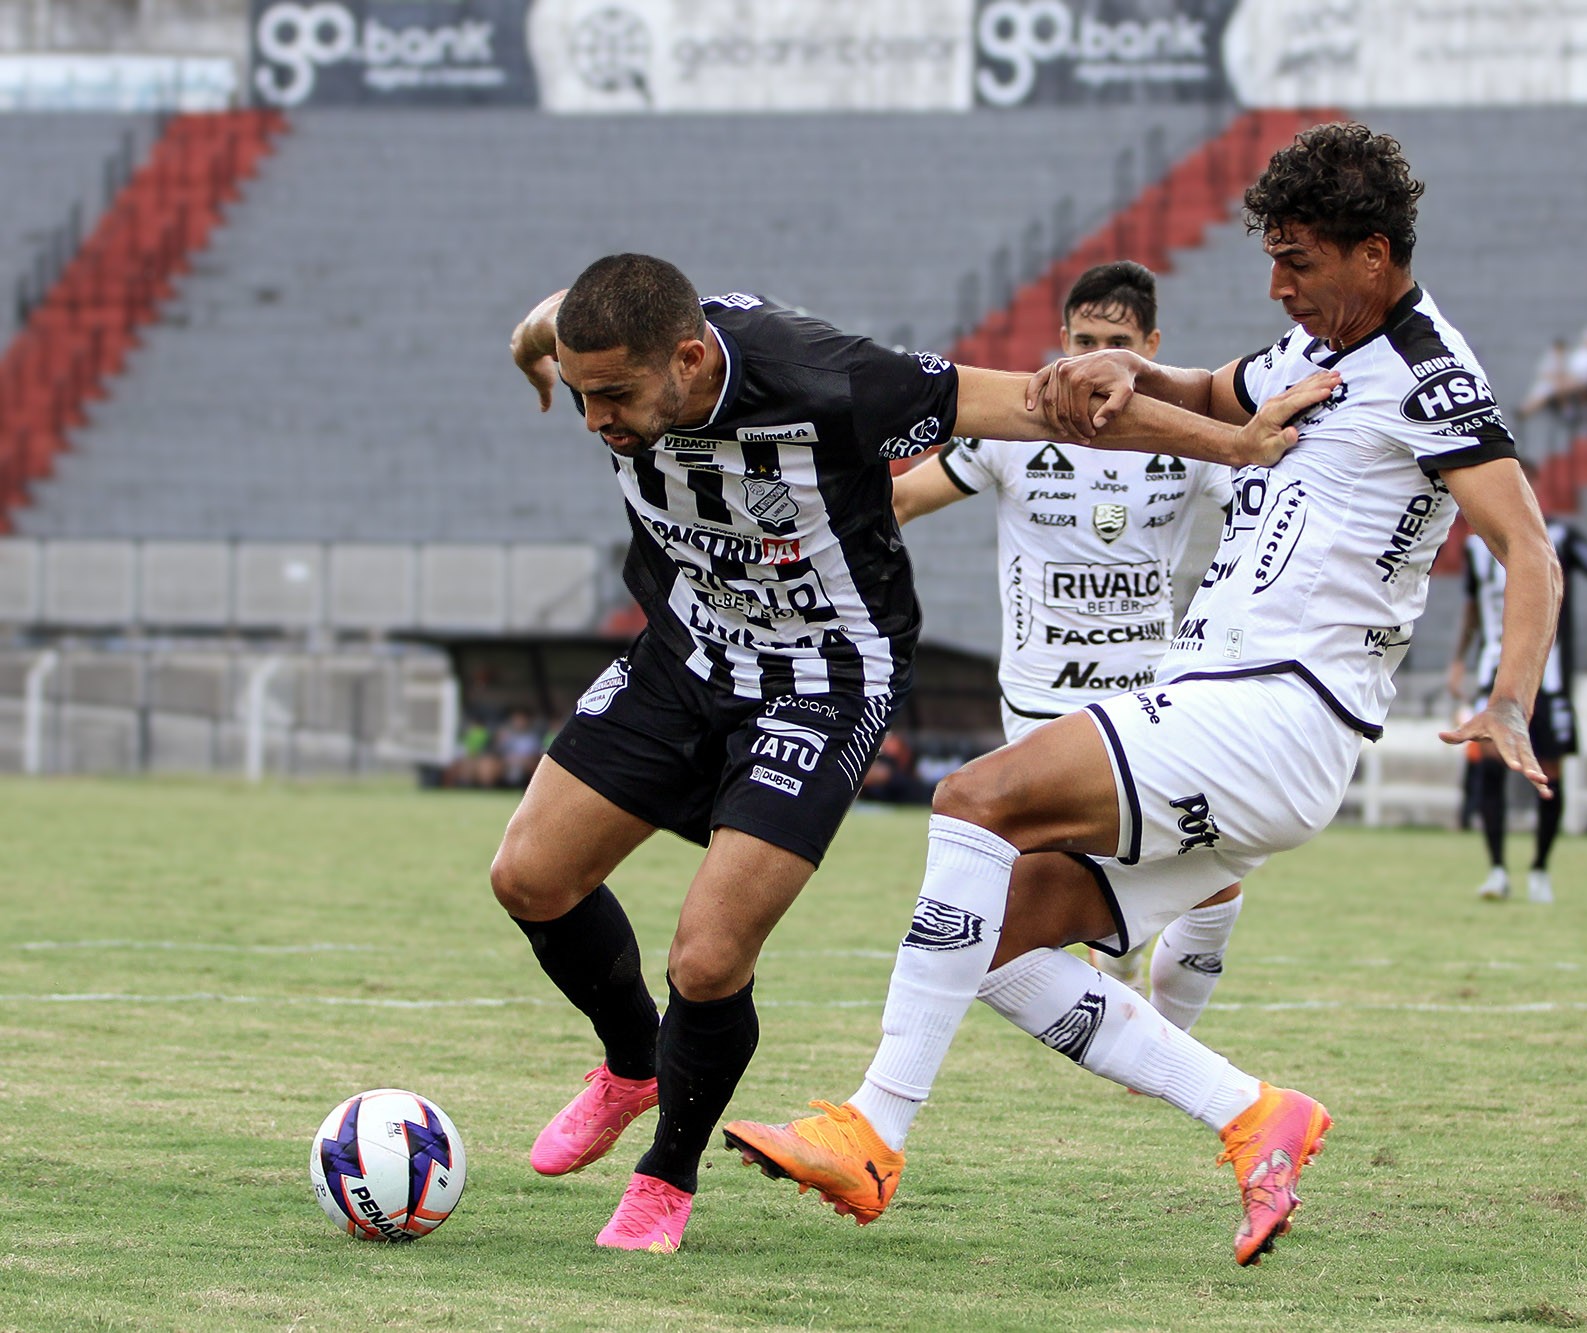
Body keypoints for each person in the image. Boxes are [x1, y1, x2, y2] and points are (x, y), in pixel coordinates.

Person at [723, 122, 1561, 1266]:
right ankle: (1254, 1114)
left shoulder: (1427, 375)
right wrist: (1134, 372)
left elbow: (1528, 545)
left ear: (1374, 255)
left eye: (1299, 261)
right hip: (1237, 713)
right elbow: (1212, 387)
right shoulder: (1313, 352)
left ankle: (872, 1130)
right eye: (1270, 260)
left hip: (1273, 705)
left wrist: (1508, 697)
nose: (1278, 286)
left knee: (974, 799)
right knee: (1002, 944)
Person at [495, 254, 1332, 1255]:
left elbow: (1042, 407)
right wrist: (528, 344)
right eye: (581, 395)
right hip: (684, 654)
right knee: (528, 877)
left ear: (685, 358)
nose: (597, 422)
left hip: (822, 675)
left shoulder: (832, 379)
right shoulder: (600, 339)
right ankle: (633, 1063)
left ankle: (665, 1179)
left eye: (614, 397)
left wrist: (1232, 446)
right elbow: (552, 322)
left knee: (708, 955)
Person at [892, 260, 1244, 1029]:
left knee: (1214, 880)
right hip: (1042, 699)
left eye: (1113, 341)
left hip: (1150, 697)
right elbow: (904, 498)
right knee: (1052, 892)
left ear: (1148, 345)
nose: (1091, 358)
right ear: (1061, 339)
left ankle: (1164, 1040)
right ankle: (1123, 991)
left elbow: (1261, 503)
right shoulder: (1014, 427)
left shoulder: (1185, 441)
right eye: (1081, 339)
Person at [1449, 508, 1587, 903]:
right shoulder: (1476, 547)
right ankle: (1496, 869)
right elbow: (1473, 606)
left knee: (1549, 775)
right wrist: (1459, 658)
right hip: (1492, 675)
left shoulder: (1559, 534)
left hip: (1550, 678)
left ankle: (1540, 869)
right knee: (1491, 768)